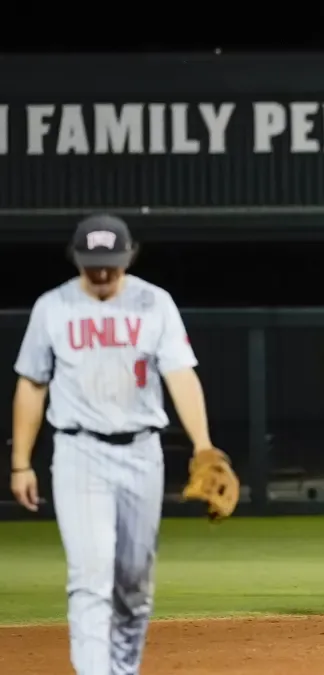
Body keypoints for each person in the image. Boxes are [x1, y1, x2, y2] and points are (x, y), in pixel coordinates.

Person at [11, 215, 219, 673]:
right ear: (76, 259)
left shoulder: (154, 303)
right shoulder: (53, 307)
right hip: (78, 453)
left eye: (111, 263)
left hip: (143, 454)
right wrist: (20, 463)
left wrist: (203, 446)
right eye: (92, 264)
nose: (102, 273)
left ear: (129, 256)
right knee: (90, 579)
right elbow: (31, 384)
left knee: (132, 586)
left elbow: (180, 375)